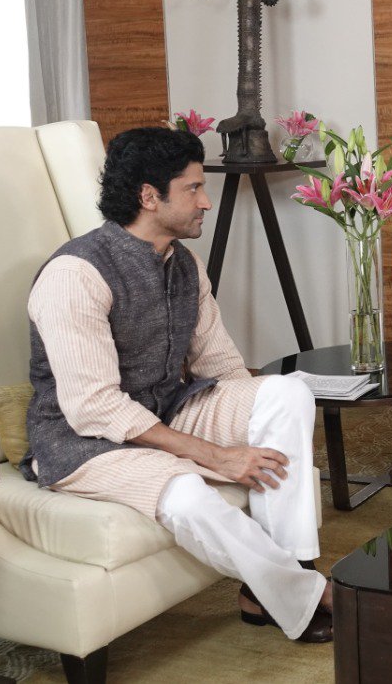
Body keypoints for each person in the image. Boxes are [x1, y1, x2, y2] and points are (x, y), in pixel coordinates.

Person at [20, 127, 332, 643]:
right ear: (149, 196)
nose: (206, 202)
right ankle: (303, 590)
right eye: (192, 188)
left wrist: (252, 413)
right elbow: (94, 408)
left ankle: (279, 577)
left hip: (164, 412)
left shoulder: (183, 264)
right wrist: (216, 455)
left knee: (287, 391)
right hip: (82, 442)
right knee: (187, 494)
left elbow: (221, 364)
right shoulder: (75, 274)